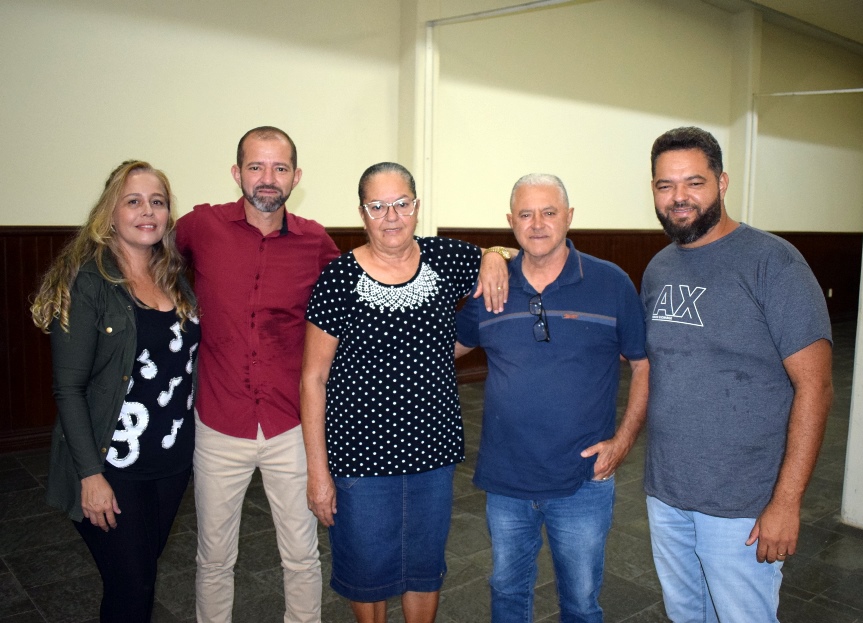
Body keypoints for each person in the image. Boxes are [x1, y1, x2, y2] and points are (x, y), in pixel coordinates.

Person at [300, 162, 510, 623]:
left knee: (424, 568)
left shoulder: (446, 258)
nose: (391, 216)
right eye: (377, 206)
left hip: (432, 452)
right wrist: (318, 471)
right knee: (365, 570)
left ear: (417, 207)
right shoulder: (338, 279)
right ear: (362, 213)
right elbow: (313, 379)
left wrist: (494, 252)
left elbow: (508, 256)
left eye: (401, 204)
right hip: (359, 457)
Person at [640, 126, 833, 622]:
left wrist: (786, 502)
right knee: (686, 615)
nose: (679, 197)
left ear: (722, 183)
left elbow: (815, 386)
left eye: (694, 182)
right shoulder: (659, 268)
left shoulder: (774, 262)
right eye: (665, 185)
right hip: (667, 494)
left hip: (743, 504)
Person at [454, 174, 649, 623]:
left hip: (582, 479)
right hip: (506, 480)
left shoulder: (610, 283)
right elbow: (445, 350)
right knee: (507, 594)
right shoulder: (491, 287)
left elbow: (642, 365)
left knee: (580, 602)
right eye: (525, 214)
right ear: (510, 222)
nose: (537, 224)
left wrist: (622, 442)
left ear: (569, 217)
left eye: (549, 212)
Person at [175, 126, 338, 622]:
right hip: (219, 422)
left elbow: (361, 290)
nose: (268, 178)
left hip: (291, 425)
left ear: (296, 177)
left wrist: (490, 256)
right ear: (237, 172)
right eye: (256, 166)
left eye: (279, 167)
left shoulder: (314, 241)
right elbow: (144, 253)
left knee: (302, 555)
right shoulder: (200, 227)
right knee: (213, 558)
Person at [32, 160, 199, 622]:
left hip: (170, 464)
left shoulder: (175, 278)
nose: (147, 211)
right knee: (132, 586)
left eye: (157, 202)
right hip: (113, 467)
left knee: (139, 579)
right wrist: (90, 475)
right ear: (110, 213)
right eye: (133, 201)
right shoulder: (89, 282)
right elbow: (68, 388)